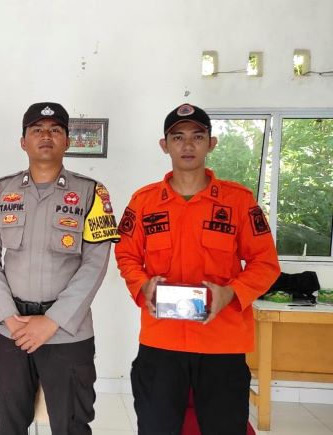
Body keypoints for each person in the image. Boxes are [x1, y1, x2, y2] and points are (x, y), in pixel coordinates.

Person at [115, 103, 281, 435]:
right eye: (178, 137)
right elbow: (126, 255)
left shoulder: (238, 201)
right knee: (156, 428)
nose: (188, 145)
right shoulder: (144, 202)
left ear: (211, 143)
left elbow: (265, 263)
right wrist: (143, 286)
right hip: (161, 341)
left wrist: (230, 293)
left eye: (197, 136)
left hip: (222, 342)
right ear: (164, 145)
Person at [0, 102, 119, 435]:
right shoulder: (1, 191)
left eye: (55, 130)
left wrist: (52, 321)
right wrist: (8, 317)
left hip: (68, 332)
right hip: (11, 330)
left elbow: (96, 263)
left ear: (67, 141)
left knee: (71, 426)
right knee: (10, 426)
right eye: (37, 130)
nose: (46, 136)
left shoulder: (92, 192)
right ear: (23, 141)